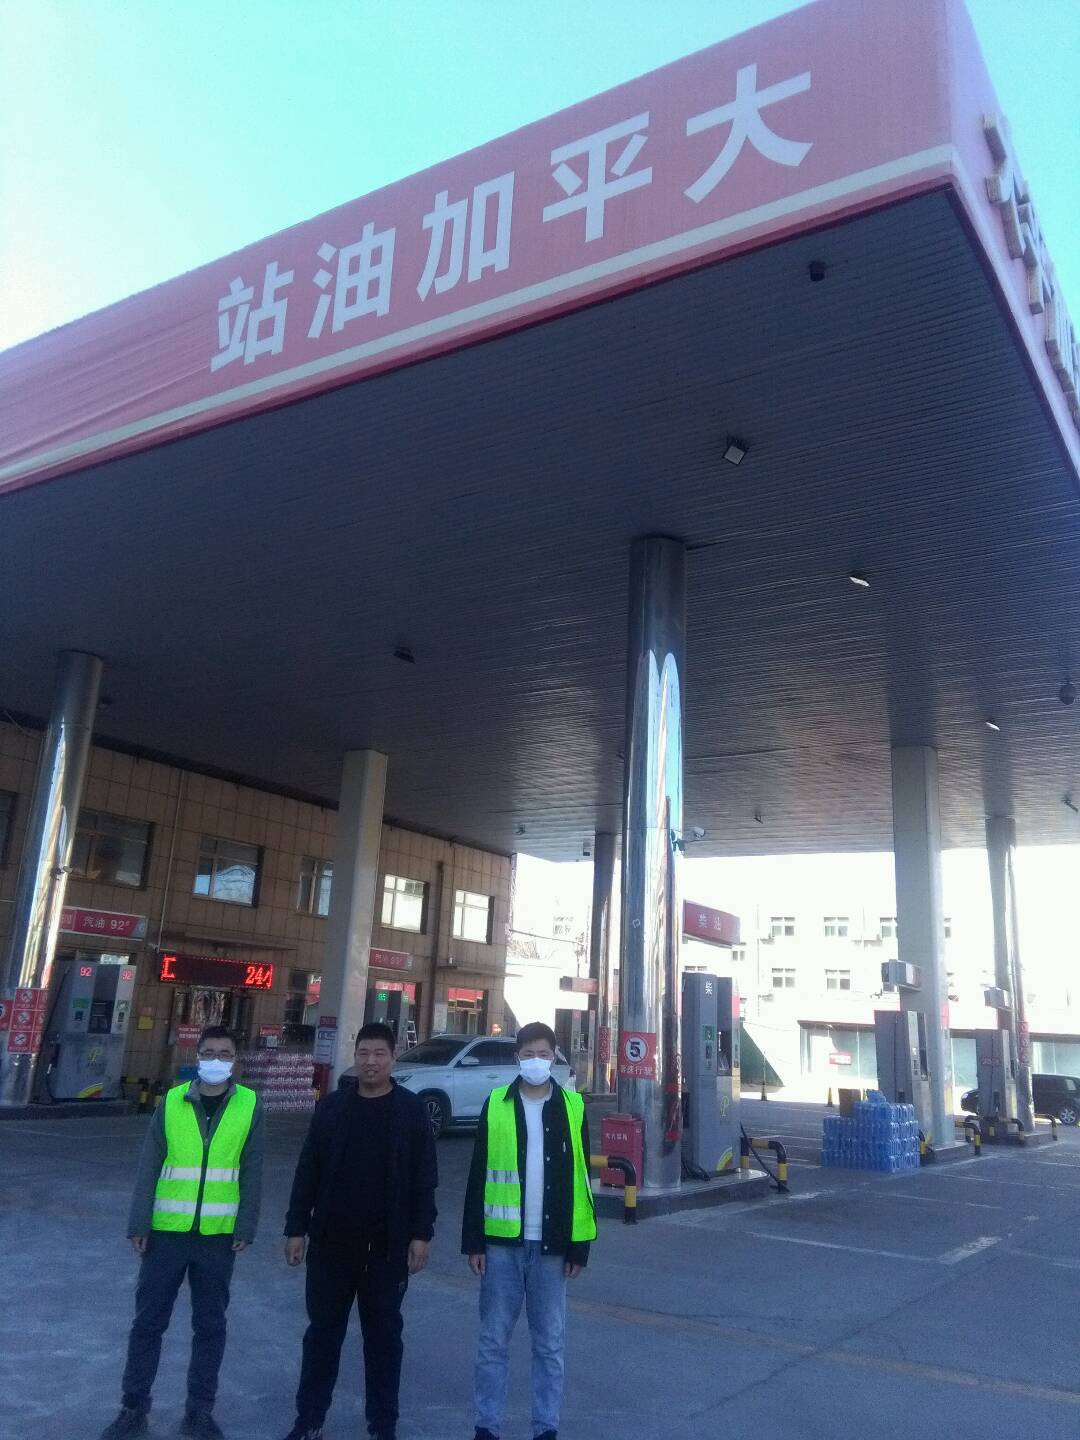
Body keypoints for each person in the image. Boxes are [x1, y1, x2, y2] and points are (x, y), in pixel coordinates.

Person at [99, 1025, 264, 1440]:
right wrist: (139, 1222)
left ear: (235, 1060)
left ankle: (199, 1411)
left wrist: (246, 1225)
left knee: (210, 1326)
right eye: (209, 1052)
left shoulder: (249, 1104)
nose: (216, 1060)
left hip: (217, 1237)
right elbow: (150, 1164)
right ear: (197, 1055)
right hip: (166, 1233)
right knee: (148, 1323)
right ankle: (133, 1408)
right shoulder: (171, 1101)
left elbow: (252, 1169)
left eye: (225, 1053)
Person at [280, 1021, 438, 1440]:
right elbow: (308, 1171)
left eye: (379, 1054)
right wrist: (296, 1228)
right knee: (321, 1337)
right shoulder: (332, 1108)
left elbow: (425, 1178)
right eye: (364, 1053)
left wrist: (422, 1234)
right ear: (355, 1056)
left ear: (393, 1058)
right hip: (330, 1248)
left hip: (386, 1252)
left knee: (384, 1341)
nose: (371, 1062)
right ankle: (309, 1420)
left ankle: (382, 1425)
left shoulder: (410, 1111)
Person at [462, 1021, 597, 1440]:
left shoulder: (574, 1106)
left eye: (543, 1054)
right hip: (501, 1245)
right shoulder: (496, 1104)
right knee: (492, 1342)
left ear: (554, 1057)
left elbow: (581, 1179)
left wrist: (579, 1246)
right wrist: (473, 1241)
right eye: (528, 1054)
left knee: (550, 1345)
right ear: (516, 1057)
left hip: (553, 1246)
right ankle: (487, 1426)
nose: (536, 1061)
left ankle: (545, 1427)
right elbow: (478, 1174)